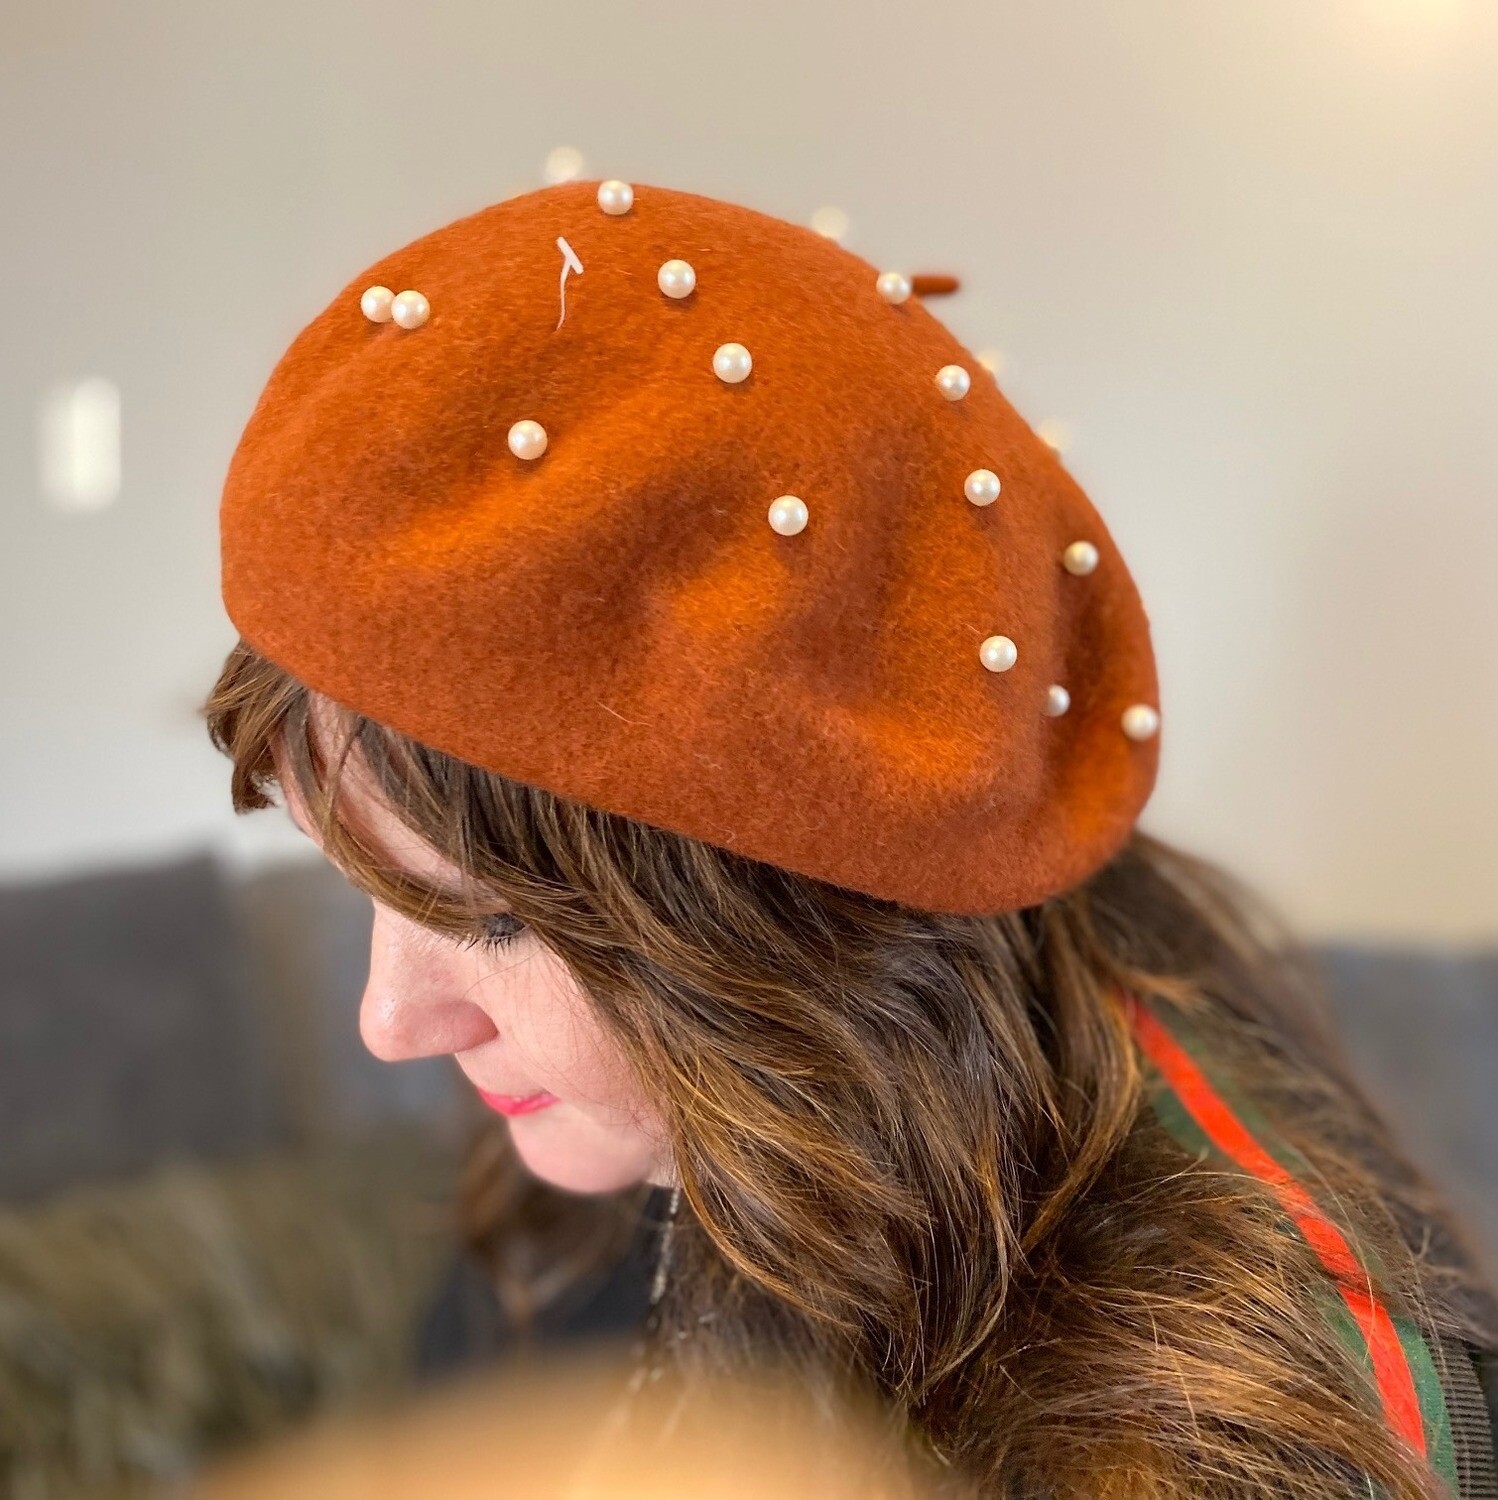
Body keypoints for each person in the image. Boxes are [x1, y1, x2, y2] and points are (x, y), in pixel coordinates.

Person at [205, 177, 1496, 1497]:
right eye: (357, 876)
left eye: (487, 917)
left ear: (803, 919)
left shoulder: (1205, 1443)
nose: (392, 1021)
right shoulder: (635, 1126)